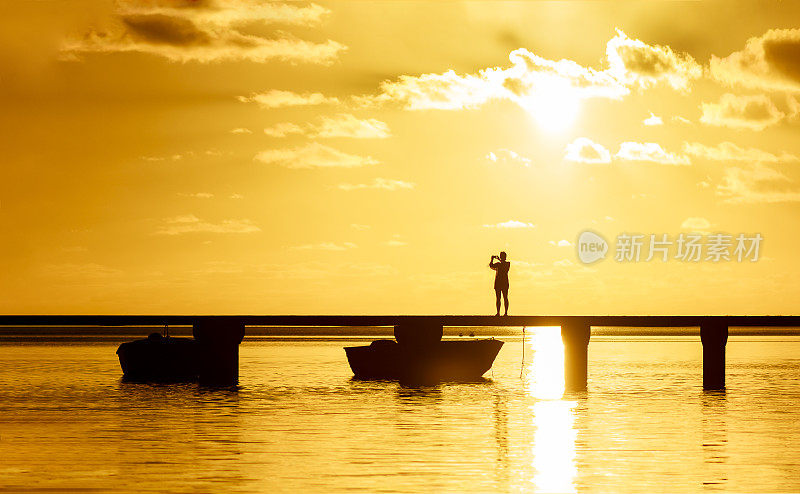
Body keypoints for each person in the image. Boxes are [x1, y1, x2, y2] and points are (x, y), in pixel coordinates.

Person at [489, 252, 510, 316]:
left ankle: (506, 312)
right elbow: (491, 266)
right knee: (498, 298)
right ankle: (498, 312)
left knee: (505, 297)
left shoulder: (507, 263)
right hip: (498, 283)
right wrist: (492, 259)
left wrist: (499, 260)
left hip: (504, 283)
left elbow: (505, 268)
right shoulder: (498, 264)